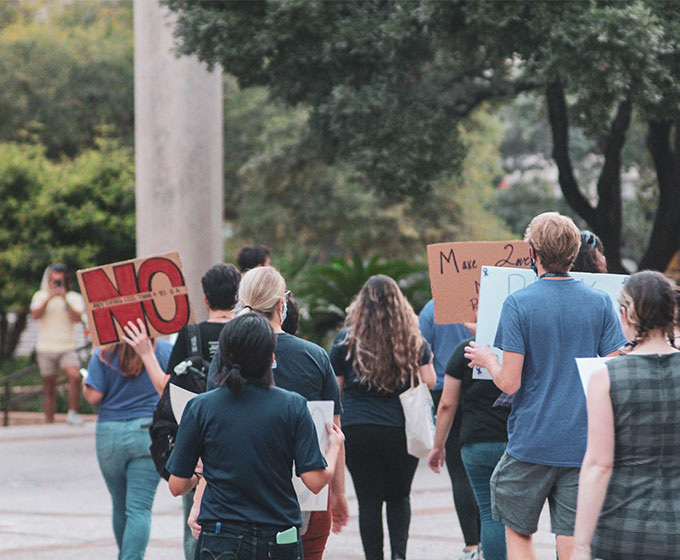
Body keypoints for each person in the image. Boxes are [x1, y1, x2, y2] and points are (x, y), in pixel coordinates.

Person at [465, 212, 627, 560]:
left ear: (532, 254)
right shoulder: (600, 302)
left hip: (530, 441)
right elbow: (615, 370)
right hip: (582, 442)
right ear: (572, 254)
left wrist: (487, 359)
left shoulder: (518, 304)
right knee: (571, 537)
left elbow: (509, 381)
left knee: (518, 531)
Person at [197, 266, 348, 559]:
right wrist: (338, 494)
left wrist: (199, 497)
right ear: (283, 304)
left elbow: (211, 435)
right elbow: (334, 433)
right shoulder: (315, 356)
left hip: (235, 496)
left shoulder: (226, 357)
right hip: (307, 493)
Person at [166, 313, 345, 560]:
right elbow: (314, 481)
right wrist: (334, 447)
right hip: (279, 536)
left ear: (224, 357)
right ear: (272, 358)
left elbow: (177, 486)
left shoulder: (200, 407)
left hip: (220, 535)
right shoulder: (293, 405)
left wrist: (198, 476)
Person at [572, 271, 680, 560]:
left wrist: (580, 545)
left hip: (623, 529)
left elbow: (598, 465)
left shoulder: (606, 376)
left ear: (625, 315)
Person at [330, 275, 436, 560]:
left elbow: (335, 390)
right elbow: (430, 379)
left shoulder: (345, 341)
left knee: (369, 501)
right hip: (400, 429)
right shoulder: (413, 340)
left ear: (361, 305)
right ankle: (399, 556)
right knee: (399, 496)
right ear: (399, 305)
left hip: (358, 428)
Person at [165, 263, 241, 560]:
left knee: (193, 519)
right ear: (238, 296)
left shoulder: (191, 334)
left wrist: (146, 354)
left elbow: (168, 387)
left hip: (197, 438)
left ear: (206, 298)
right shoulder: (249, 331)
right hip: (242, 433)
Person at [82, 320, 172, 560]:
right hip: (147, 434)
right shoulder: (163, 350)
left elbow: (93, 395)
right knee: (139, 509)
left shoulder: (104, 352)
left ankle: (125, 555)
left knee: (119, 505)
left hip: (108, 435)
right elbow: (171, 388)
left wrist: (84, 382)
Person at [429, 335, 510, 560]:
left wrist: (438, 446)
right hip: (512, 441)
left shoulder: (465, 350)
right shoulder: (518, 348)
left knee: (489, 513)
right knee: (513, 516)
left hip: (475, 442)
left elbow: (446, 404)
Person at [419, 300, 480, 560]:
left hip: (443, 391)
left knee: (458, 471)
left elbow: (421, 350)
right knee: (483, 468)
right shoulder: (483, 304)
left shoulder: (432, 311)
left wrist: (436, 445)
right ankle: (487, 540)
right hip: (482, 388)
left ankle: (471, 544)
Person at [30, 263, 86, 424]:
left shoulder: (73, 297)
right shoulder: (40, 296)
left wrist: (63, 299)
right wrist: (49, 297)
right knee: (49, 386)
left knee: (75, 375)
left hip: (67, 346)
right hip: (46, 347)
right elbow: (35, 315)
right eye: (54, 281)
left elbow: (78, 318)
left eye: (59, 281)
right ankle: (49, 421)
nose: (56, 284)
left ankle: (72, 413)